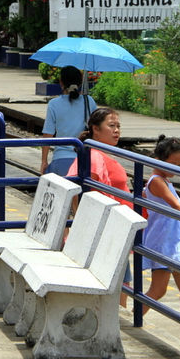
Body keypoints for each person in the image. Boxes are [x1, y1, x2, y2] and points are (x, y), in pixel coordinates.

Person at [66, 107, 135, 306]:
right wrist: (80, 221)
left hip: (115, 229)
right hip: (108, 231)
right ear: (95, 129)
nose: (117, 131)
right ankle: (117, 319)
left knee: (122, 278)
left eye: (118, 126)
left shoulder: (97, 153)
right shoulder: (94, 156)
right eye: (111, 126)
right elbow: (83, 192)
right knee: (120, 281)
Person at [140, 135, 180, 345]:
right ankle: (136, 315)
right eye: (172, 164)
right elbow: (176, 206)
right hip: (165, 243)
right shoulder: (157, 182)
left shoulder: (163, 180)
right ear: (159, 159)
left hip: (171, 242)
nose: (176, 168)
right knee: (159, 289)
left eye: (179, 164)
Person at [40, 66, 98, 175]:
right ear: (80, 83)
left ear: (61, 82)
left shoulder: (54, 104)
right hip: (84, 160)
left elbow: (48, 134)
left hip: (60, 159)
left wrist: (44, 161)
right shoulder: (89, 101)